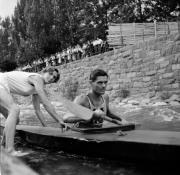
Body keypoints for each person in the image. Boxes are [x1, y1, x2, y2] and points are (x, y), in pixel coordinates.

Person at [0, 67, 66, 155]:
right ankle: (10, 150)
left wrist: (46, 127)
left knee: (15, 120)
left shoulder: (37, 89)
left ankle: (3, 145)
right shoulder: (37, 78)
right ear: (44, 72)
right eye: (50, 74)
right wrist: (59, 120)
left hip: (3, 87)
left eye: (54, 78)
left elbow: (38, 110)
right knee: (14, 110)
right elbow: (46, 104)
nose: (51, 78)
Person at [63, 69, 128, 128]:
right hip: (81, 136)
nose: (103, 86)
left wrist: (123, 121)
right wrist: (90, 116)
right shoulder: (82, 99)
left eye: (105, 82)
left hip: (97, 135)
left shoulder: (105, 97)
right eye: (100, 83)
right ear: (91, 83)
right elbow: (66, 118)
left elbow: (108, 114)